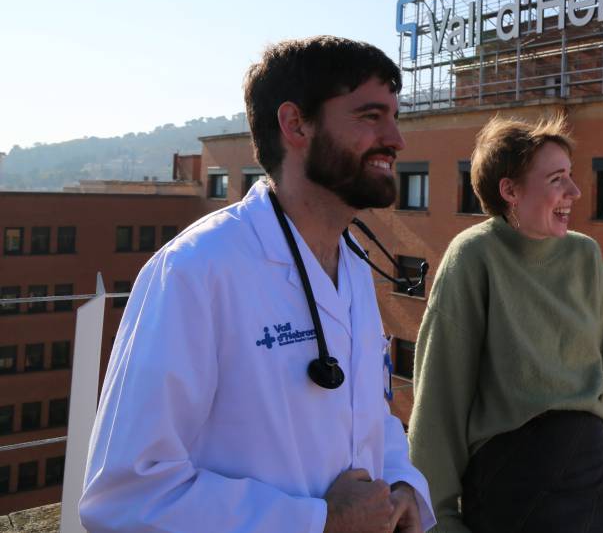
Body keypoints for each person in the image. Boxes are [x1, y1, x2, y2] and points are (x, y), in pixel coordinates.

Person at [80, 36, 435, 533]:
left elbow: (367, 420)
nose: (396, 139)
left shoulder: (353, 265)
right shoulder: (195, 270)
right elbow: (126, 497)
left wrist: (402, 487)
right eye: (371, 116)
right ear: (295, 125)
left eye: (394, 117)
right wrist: (317, 521)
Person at [408, 114, 603, 533]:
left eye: (570, 176)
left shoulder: (585, 255)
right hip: (514, 484)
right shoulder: (473, 255)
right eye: (556, 179)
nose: (575, 191)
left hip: (594, 476)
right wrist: (437, 515)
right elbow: (440, 392)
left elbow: (602, 370)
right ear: (510, 190)